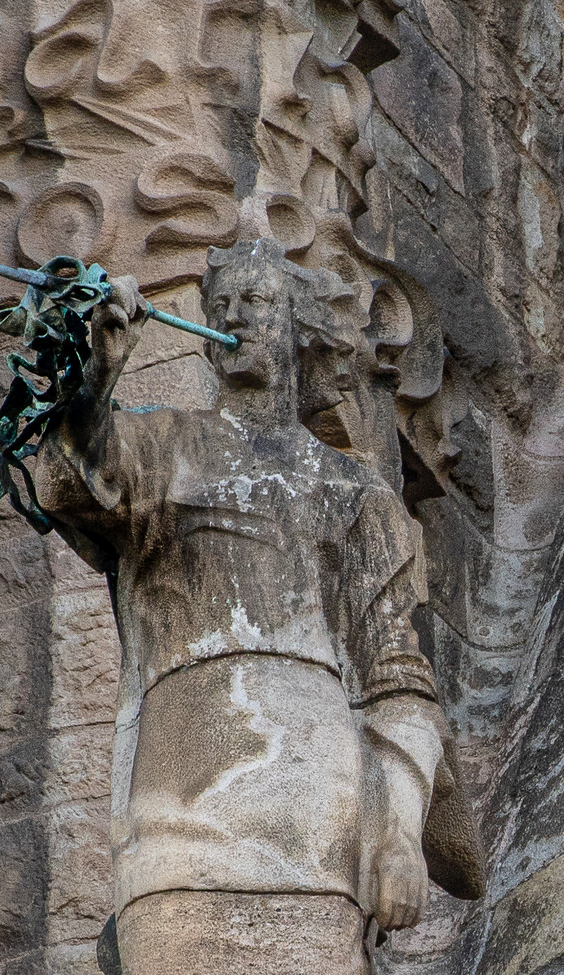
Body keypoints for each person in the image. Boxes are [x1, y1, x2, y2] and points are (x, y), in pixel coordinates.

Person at [34, 241, 443, 974]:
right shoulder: (165, 446)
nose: (233, 315)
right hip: (186, 780)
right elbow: (74, 478)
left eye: (256, 301)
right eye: (221, 304)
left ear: (300, 328)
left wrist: (400, 838)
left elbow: (398, 680)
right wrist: (94, 376)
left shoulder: (354, 491)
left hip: (319, 798)